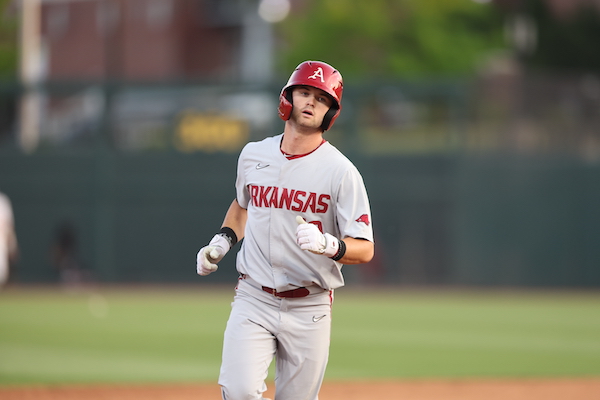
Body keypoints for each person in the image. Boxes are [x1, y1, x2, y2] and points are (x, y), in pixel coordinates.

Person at [196, 60, 374, 400]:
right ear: (287, 98)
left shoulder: (341, 172)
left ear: (330, 113)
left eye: (321, 99)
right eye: (304, 92)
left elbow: (365, 248)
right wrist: (222, 240)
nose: (311, 102)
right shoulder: (253, 154)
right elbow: (243, 205)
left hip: (310, 305)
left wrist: (329, 245)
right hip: (254, 297)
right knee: (239, 391)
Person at [0, 191, 18, 288]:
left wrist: (12, 245)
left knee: (2, 274)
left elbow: (8, 226)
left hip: (1, 242)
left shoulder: (2, 200)